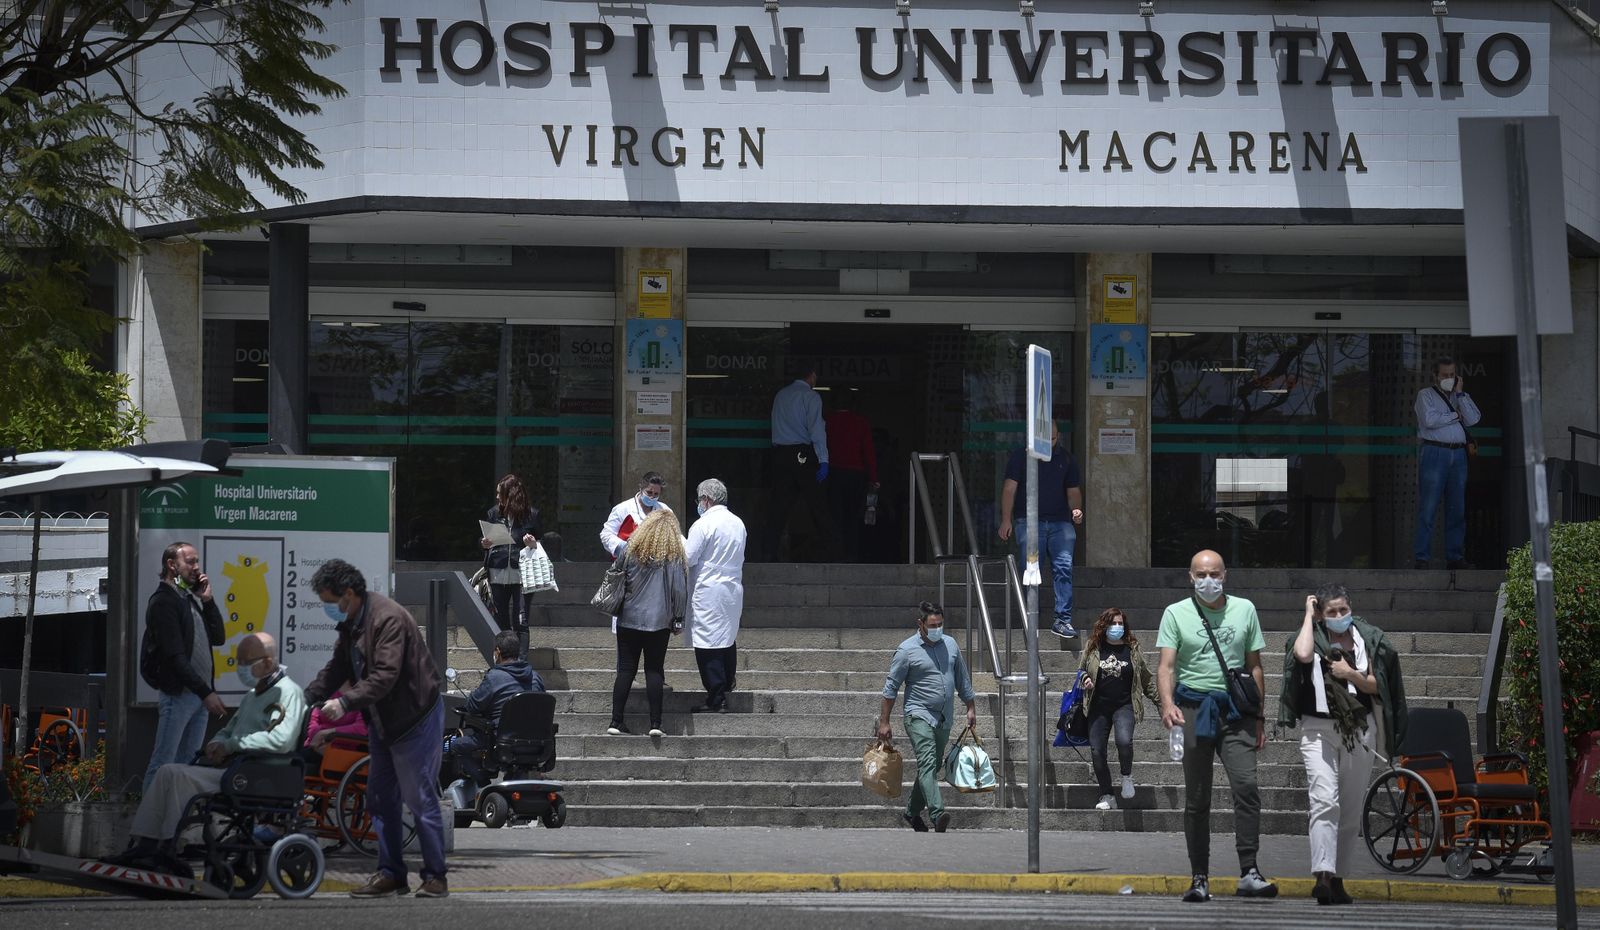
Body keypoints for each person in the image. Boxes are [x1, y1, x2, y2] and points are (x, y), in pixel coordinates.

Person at [306, 559, 448, 899]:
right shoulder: (352, 621)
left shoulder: (387, 618)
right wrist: (307, 697)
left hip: (413, 719)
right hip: (383, 721)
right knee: (380, 798)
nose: (328, 608)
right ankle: (391, 874)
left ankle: (435, 877)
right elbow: (337, 667)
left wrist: (344, 703)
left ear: (349, 594)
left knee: (419, 799)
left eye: (330, 601)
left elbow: (386, 675)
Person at [108, 633, 304, 876]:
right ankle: (144, 844)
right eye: (238, 662)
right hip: (239, 770)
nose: (241, 669)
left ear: (267, 663)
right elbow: (228, 730)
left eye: (246, 663)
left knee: (180, 777)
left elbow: (281, 740)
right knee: (166, 772)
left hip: (261, 777)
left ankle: (170, 849)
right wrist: (216, 743)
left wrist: (231, 746)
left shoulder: (288, 692)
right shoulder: (252, 697)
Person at [1156, 549, 1277, 903]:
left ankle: (1249, 870)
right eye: (1200, 575)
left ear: (1225, 575)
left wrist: (1259, 717)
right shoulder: (1175, 613)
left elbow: (1255, 667)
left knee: (1247, 786)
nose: (1208, 580)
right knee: (1196, 798)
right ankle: (1199, 876)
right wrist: (1167, 704)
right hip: (1193, 711)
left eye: (1214, 574)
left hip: (1236, 712)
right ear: (1190, 577)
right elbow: (1166, 666)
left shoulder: (1245, 610)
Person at [1280, 583, 1408, 906]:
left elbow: (1379, 684)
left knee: (1350, 811)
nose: (1338, 616)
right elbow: (1302, 654)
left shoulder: (1368, 639)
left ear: (1350, 608)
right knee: (1323, 799)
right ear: (1322, 613)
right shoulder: (1313, 633)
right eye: (1330, 611)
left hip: (1359, 729)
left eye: (1343, 610)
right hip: (1317, 729)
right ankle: (1322, 875)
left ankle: (1338, 879)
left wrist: (1350, 673)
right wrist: (1308, 617)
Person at [876, 602, 977, 834]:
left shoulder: (950, 644)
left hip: (944, 717)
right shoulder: (906, 650)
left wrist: (970, 707)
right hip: (918, 714)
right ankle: (937, 813)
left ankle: (912, 812)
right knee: (928, 762)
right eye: (933, 625)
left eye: (940, 624)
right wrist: (884, 721)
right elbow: (891, 688)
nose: (937, 629)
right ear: (920, 624)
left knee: (932, 765)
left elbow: (962, 678)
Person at [140, 541, 227, 794]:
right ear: (171, 565)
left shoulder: (189, 598)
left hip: (198, 696)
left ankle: (173, 823)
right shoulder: (163, 601)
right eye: (190, 562)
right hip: (179, 695)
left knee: (187, 765)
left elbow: (219, 637)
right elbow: (175, 657)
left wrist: (208, 601)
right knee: (163, 763)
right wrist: (206, 692)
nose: (196, 567)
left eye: (197, 562)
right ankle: (146, 826)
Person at [997, 421, 1084, 637]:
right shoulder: (1021, 457)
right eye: (1046, 439)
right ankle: (1030, 617)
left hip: (1060, 523)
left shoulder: (1065, 458)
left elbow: (1073, 491)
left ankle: (1063, 620)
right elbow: (1009, 489)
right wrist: (1006, 519)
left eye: (1054, 438)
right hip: (1029, 522)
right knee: (1031, 567)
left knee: (1064, 566)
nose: (1050, 443)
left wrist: (1077, 510)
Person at [609, 509, 688, 737]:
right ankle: (655, 723)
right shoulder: (672, 556)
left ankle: (616, 720)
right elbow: (679, 590)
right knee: (654, 670)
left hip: (629, 618)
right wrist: (679, 618)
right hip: (658, 621)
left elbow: (616, 575)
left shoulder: (631, 550)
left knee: (625, 670)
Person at [1075, 607, 1158, 811]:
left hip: (1124, 705)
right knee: (1097, 751)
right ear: (1104, 625)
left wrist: (1161, 702)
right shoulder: (1093, 647)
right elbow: (1081, 670)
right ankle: (1107, 794)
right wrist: (1085, 679)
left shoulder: (1132, 649)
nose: (1117, 627)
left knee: (1123, 740)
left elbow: (1146, 679)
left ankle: (1126, 775)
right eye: (1113, 623)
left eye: (1121, 623)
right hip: (1098, 707)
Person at [446, 630, 546, 786]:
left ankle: (483, 782)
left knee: (455, 745)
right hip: (536, 745)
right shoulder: (536, 677)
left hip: (500, 743)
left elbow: (472, 706)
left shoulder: (494, 677)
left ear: (498, 651)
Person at [1413, 355, 1481, 570]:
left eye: (1452, 375)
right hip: (1435, 452)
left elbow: (1473, 418)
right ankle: (1422, 557)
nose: (1449, 379)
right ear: (1435, 375)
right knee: (1429, 507)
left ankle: (1455, 557)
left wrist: (1460, 395)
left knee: (1457, 508)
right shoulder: (1426, 395)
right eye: (1445, 375)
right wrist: (1454, 416)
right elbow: (1429, 421)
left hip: (1458, 455)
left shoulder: (1460, 396)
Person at [685, 478, 747, 714]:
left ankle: (715, 695)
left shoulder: (703, 524)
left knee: (707, 641)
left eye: (699, 499)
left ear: (706, 500)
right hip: (732, 587)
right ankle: (727, 682)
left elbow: (689, 557)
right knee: (727, 638)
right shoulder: (738, 522)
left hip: (709, 588)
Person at [765, 360, 830, 561]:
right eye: (815, 376)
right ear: (810, 375)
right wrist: (823, 459)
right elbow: (817, 430)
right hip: (802, 453)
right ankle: (831, 552)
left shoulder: (780, 395)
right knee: (818, 505)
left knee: (778, 507)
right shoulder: (811, 397)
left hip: (780, 454)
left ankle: (768, 552)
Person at [479, 473, 543, 649]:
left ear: (510, 495)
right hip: (498, 571)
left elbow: (540, 543)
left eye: (500, 493)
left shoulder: (532, 515)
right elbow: (487, 538)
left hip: (522, 573)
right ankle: (506, 657)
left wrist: (533, 544)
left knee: (521, 618)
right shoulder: (493, 513)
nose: (497, 497)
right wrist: (485, 544)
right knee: (500, 619)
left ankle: (521, 661)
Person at [824, 388, 878, 562]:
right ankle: (851, 554)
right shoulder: (860, 422)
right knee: (853, 516)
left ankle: (835, 554)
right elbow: (868, 452)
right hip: (855, 474)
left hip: (833, 473)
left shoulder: (826, 421)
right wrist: (874, 477)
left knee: (834, 516)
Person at [601, 472, 674, 559]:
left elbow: (675, 535)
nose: (652, 497)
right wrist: (623, 547)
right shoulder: (623, 508)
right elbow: (606, 534)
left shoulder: (665, 510)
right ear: (641, 488)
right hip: (627, 564)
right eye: (649, 492)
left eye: (656, 494)